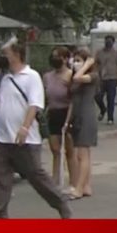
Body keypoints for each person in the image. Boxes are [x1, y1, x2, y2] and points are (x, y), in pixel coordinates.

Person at [0, 37, 72, 219]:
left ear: (16, 54)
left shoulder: (32, 76)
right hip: (2, 138)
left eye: (6, 53)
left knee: (36, 176)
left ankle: (60, 203)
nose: (3, 57)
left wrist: (25, 127)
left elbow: (34, 104)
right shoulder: (6, 78)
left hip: (25, 139)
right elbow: (8, 102)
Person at [66, 48, 101, 200]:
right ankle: (86, 185)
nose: (75, 63)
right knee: (81, 154)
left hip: (87, 116)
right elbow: (72, 101)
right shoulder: (75, 77)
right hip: (77, 116)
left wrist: (87, 64)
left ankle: (79, 188)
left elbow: (78, 78)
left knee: (82, 153)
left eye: (79, 60)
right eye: (75, 60)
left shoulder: (92, 76)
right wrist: (67, 120)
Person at [43, 47, 75, 190]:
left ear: (66, 59)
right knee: (55, 149)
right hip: (53, 113)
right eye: (54, 56)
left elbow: (73, 99)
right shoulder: (47, 77)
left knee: (69, 150)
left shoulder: (70, 75)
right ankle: (55, 180)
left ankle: (74, 182)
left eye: (59, 56)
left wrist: (68, 120)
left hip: (66, 112)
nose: (55, 59)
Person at [94, 35, 117, 125]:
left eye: (110, 41)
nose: (108, 42)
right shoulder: (99, 53)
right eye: (107, 41)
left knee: (111, 99)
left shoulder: (116, 54)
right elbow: (95, 64)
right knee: (98, 97)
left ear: (113, 42)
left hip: (112, 79)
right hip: (102, 79)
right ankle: (102, 109)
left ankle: (110, 118)